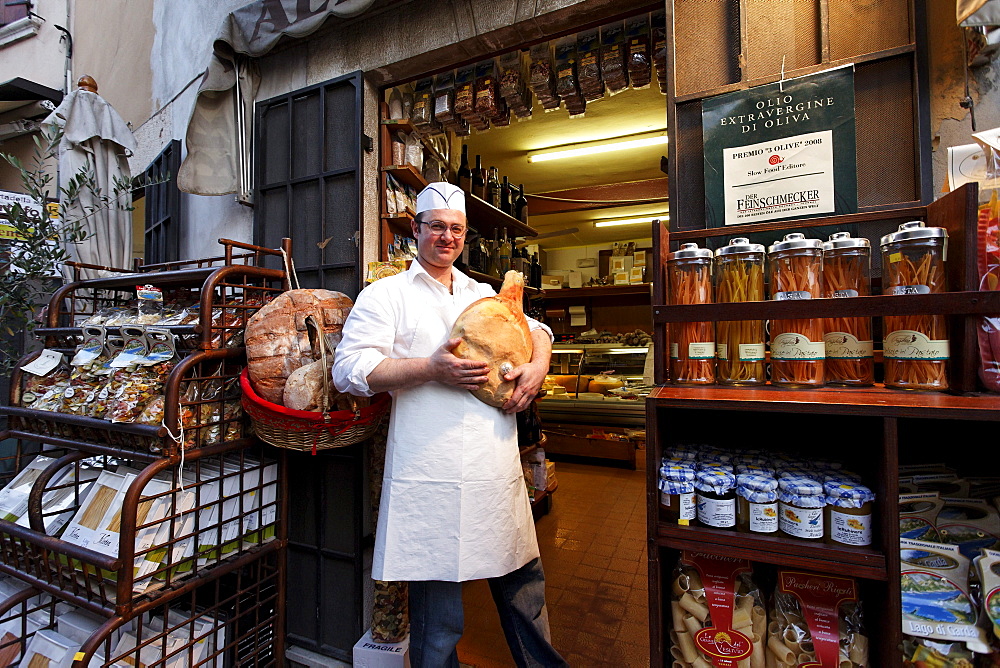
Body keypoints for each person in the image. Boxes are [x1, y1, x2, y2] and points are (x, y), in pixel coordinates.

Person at [332, 182, 567, 668]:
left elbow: (536, 328)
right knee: (439, 619)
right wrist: (430, 369)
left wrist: (539, 364)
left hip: (493, 471)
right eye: (436, 226)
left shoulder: (482, 292)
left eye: (455, 228)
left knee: (526, 592)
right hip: (428, 471)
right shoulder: (385, 294)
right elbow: (349, 371)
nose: (446, 236)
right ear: (416, 230)